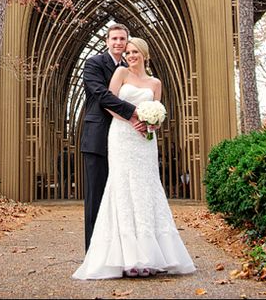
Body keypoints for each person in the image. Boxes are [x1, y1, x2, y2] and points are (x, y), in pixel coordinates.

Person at [73, 37, 196, 280]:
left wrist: (151, 125)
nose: (130, 55)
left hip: (145, 141)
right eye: (127, 51)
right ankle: (126, 256)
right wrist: (132, 120)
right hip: (121, 135)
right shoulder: (120, 73)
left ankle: (151, 253)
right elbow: (109, 104)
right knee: (122, 188)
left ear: (144, 54)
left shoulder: (155, 82)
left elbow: (159, 113)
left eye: (135, 51)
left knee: (146, 189)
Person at [80, 23, 145, 251]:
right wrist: (134, 112)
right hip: (98, 137)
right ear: (106, 41)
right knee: (96, 197)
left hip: (125, 140)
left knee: (124, 197)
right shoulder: (93, 64)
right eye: (114, 38)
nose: (118, 43)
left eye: (122, 39)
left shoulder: (132, 67)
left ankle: (121, 251)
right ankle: (94, 252)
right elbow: (101, 95)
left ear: (128, 42)